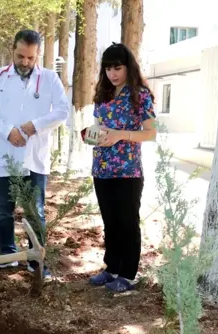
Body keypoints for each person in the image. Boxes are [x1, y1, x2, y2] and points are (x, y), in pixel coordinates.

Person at [0, 29, 69, 278]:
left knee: (35, 211)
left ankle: (36, 260)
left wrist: (33, 126)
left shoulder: (49, 79)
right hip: (3, 153)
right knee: (3, 209)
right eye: (20, 56)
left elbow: (62, 111)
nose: (25, 62)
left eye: (31, 58)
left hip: (34, 157)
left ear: (38, 55)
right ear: (12, 51)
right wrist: (8, 131)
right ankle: (8, 254)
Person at [84, 43, 157, 293]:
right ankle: (112, 268)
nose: (112, 74)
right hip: (102, 169)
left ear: (128, 67)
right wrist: (90, 135)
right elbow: (99, 128)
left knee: (127, 222)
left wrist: (119, 135)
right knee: (110, 222)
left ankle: (129, 274)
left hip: (128, 171)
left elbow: (150, 133)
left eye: (117, 67)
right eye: (107, 69)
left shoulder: (140, 95)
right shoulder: (103, 95)